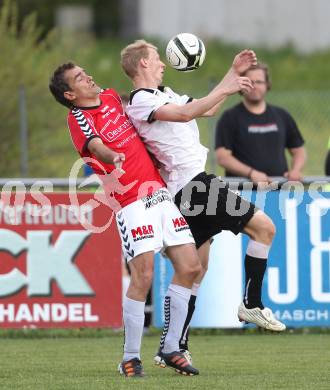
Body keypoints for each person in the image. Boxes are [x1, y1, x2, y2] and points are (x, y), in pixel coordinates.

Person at [121, 40, 286, 365]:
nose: (163, 63)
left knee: (194, 269)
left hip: (187, 190)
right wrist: (230, 83)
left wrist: (233, 74)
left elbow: (207, 108)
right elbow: (185, 114)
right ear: (142, 64)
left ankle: (172, 346)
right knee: (264, 229)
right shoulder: (141, 101)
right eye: (156, 57)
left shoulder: (164, 93)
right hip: (193, 185)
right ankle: (252, 302)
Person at [49, 62, 203, 377]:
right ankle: (130, 358)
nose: (88, 76)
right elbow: (95, 146)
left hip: (159, 193)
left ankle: (172, 347)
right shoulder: (77, 117)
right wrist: (111, 155)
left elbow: (139, 108)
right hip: (130, 202)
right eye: (80, 77)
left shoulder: (109, 97)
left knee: (191, 267)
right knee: (143, 276)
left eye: (84, 71)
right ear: (69, 94)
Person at [215, 62, 306, 184]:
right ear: (241, 85)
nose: (254, 86)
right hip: (242, 193)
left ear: (267, 85)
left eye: (259, 82)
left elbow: (299, 151)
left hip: (278, 193)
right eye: (250, 82)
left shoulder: (282, 115)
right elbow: (223, 158)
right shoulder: (229, 117)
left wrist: (295, 170)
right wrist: (251, 173)